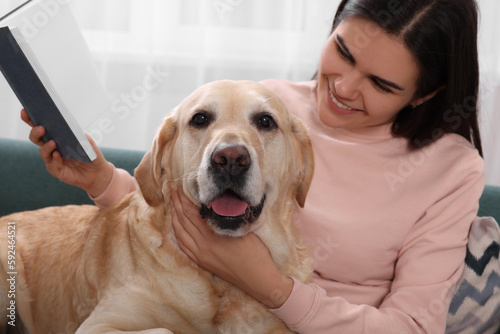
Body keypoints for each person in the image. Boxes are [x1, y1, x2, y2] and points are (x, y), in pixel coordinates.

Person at [22, 0, 485, 332]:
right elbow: (173, 209)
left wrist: (271, 286)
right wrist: (103, 181)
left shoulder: (450, 171)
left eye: (380, 84)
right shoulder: (265, 105)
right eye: (342, 53)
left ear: (425, 94)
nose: (343, 87)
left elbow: (413, 326)